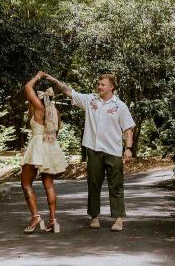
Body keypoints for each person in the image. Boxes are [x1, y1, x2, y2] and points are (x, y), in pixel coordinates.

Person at [45, 72, 135, 231]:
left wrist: (128, 149)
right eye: (99, 84)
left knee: (116, 185)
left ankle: (119, 218)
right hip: (93, 150)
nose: (99, 87)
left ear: (111, 87)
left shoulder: (120, 106)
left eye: (103, 85)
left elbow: (128, 129)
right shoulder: (90, 100)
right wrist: (54, 81)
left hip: (113, 151)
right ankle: (94, 217)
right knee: (93, 184)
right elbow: (69, 91)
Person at [20, 71, 68, 233]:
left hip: (37, 147)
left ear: (39, 97)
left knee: (26, 183)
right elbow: (56, 133)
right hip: (50, 147)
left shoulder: (38, 108)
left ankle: (35, 217)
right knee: (49, 185)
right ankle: (53, 220)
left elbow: (27, 87)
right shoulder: (55, 113)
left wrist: (38, 76)